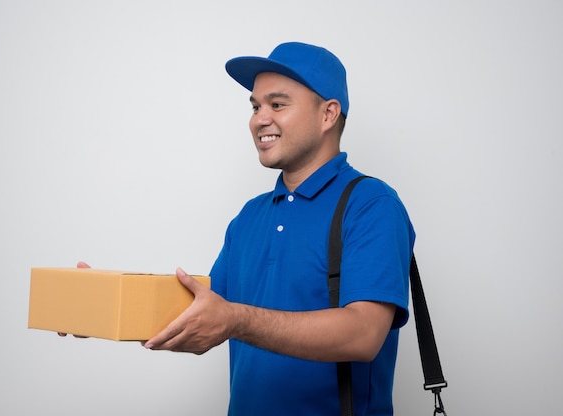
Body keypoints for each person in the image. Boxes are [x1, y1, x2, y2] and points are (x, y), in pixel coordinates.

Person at [65, 41, 415, 415]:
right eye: (255, 106)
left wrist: (236, 320)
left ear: (328, 114)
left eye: (277, 105)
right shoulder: (249, 217)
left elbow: (363, 335)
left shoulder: (372, 205)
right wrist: (103, 308)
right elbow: (201, 315)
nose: (259, 119)